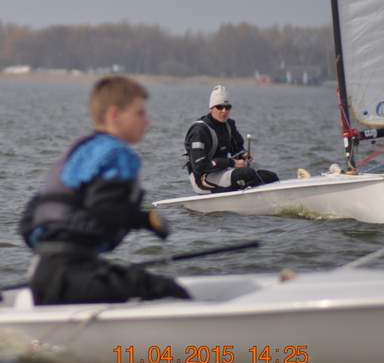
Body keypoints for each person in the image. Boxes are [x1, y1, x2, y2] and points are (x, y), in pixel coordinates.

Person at [18, 75, 190, 305]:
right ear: (114, 115)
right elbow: (107, 212)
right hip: (73, 275)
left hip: (41, 275)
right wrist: (147, 220)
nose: (147, 121)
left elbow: (27, 224)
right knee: (171, 291)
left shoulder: (78, 152)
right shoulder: (118, 154)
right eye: (139, 113)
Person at [184, 85, 279, 194]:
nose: (224, 111)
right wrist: (231, 162)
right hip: (203, 179)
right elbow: (200, 166)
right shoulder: (199, 130)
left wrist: (243, 155)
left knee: (270, 177)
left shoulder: (229, 125)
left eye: (227, 107)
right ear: (211, 108)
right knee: (247, 174)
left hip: (224, 171)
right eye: (219, 107)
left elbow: (237, 149)